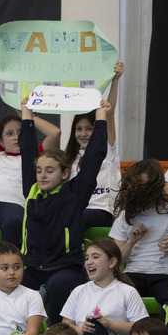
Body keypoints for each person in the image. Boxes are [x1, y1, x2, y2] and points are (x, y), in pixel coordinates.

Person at [19, 96, 111, 323]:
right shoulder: (32, 189)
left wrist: (101, 117)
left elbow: (94, 156)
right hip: (32, 266)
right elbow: (28, 149)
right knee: (11, 281)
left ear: (65, 173)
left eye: (50, 170)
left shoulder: (75, 193)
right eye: (39, 170)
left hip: (65, 268)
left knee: (58, 285)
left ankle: (57, 334)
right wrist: (26, 115)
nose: (42, 175)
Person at [0, 57, 61, 248]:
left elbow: (55, 133)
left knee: (14, 224)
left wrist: (25, 112)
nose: (15, 138)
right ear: (0, 140)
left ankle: (9, 273)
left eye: (20, 133)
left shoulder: (35, 155)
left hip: (12, 206)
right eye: (9, 134)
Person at [111, 159, 168, 305]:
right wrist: (131, 242)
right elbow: (117, 260)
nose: (141, 193)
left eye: (145, 188)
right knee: (118, 300)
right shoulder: (126, 214)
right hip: (134, 273)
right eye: (137, 188)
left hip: (166, 273)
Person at [59, 239, 147, 335]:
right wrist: (81, 329)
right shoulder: (79, 291)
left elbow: (141, 328)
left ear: (112, 262)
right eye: (87, 258)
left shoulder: (127, 292)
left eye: (95, 257)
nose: (89, 262)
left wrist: (110, 324)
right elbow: (65, 325)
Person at [67, 63, 126, 227]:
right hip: (76, 210)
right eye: (79, 129)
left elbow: (110, 114)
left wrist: (115, 80)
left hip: (101, 211)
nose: (83, 134)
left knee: (72, 219)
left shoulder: (106, 149)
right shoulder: (70, 157)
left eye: (89, 129)